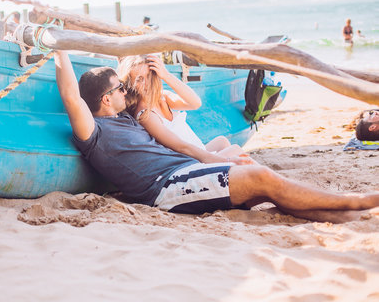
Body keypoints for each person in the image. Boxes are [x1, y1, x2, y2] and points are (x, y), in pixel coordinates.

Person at [54, 50, 379, 223]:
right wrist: (59, 48)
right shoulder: (94, 131)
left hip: (184, 173)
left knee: (268, 195)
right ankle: (361, 201)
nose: (127, 90)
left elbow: (181, 102)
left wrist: (160, 71)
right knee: (261, 176)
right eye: (119, 87)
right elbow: (71, 95)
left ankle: (348, 215)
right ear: (104, 100)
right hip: (166, 187)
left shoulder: (130, 115)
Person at [117, 54, 248, 164]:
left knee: (222, 141)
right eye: (139, 79)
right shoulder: (146, 115)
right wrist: (225, 160)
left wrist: (166, 75)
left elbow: (195, 103)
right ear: (130, 85)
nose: (147, 83)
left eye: (150, 76)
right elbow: (181, 147)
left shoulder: (162, 97)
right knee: (236, 150)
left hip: (198, 151)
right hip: (191, 161)